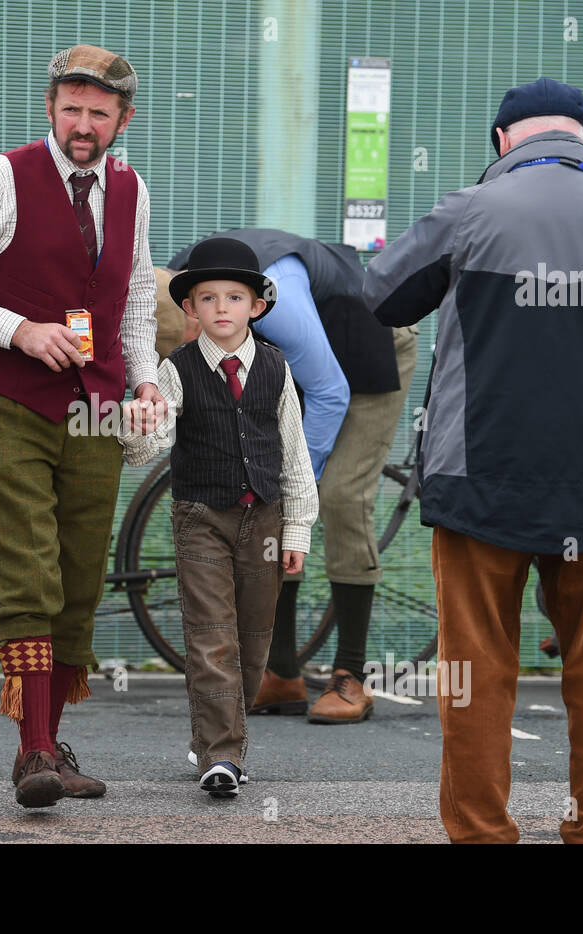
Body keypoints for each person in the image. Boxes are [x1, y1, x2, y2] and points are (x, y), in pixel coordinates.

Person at [363, 77, 583, 843]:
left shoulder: (468, 211)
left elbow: (382, 295)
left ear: (503, 141)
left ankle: (482, 835)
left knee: (477, 674)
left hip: (479, 485)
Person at [0, 44, 164, 808]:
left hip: (96, 407)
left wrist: (146, 375)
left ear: (123, 119)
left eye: (98, 112)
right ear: (50, 107)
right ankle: (31, 757)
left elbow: (138, 301)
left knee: (81, 575)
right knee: (31, 569)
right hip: (12, 398)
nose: (82, 124)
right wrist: (21, 330)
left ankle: (53, 741)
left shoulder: (130, 189)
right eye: (71, 108)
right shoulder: (0, 177)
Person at [170, 230, 415, 723]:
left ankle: (351, 675)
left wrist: (294, 486)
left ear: (252, 304)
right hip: (293, 364)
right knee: (267, 507)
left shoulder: (273, 299)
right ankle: (280, 674)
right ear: (189, 306)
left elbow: (329, 391)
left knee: (340, 495)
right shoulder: (186, 288)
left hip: (361, 357)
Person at [119, 237, 318, 797]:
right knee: (211, 639)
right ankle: (221, 755)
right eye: (208, 298)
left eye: (235, 297)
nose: (222, 308)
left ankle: (218, 735)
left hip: (267, 521)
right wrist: (136, 423)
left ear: (257, 305)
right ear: (190, 309)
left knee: (253, 642)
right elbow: (147, 447)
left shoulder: (278, 370)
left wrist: (297, 528)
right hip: (200, 515)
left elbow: (296, 456)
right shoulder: (175, 370)